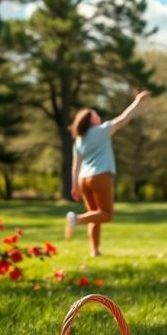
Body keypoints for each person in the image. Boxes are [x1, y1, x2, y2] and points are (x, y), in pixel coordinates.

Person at [65, 90, 151, 256]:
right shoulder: (102, 130)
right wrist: (137, 101)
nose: (98, 115)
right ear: (91, 120)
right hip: (100, 176)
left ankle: (94, 251)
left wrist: (74, 185)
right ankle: (76, 219)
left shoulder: (79, 140)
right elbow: (124, 118)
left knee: (95, 216)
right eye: (95, 114)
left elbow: (76, 165)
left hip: (84, 179)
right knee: (106, 214)